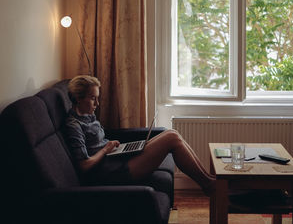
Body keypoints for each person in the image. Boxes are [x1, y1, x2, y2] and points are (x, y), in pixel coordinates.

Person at [64, 75, 216, 195]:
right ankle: (209, 185)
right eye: (92, 98)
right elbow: (83, 165)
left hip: (115, 160)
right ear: (78, 98)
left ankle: (209, 181)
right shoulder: (74, 125)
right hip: (111, 173)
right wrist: (105, 149)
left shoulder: (87, 115)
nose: (97, 103)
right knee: (172, 138)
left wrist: (113, 147)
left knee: (171, 133)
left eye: (97, 98)